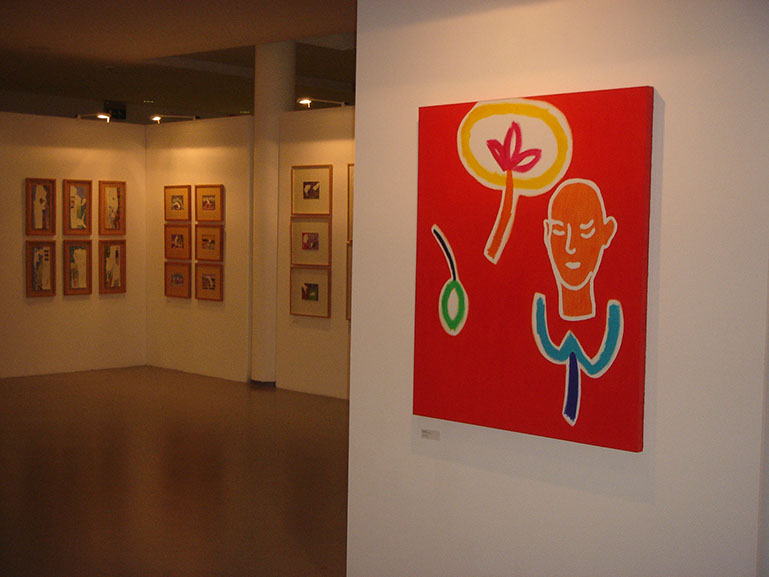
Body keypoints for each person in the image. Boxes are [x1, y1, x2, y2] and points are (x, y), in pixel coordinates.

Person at [543, 178, 616, 321]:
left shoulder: (614, 317)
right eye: (559, 230)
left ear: (606, 233)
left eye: (585, 231)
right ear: (547, 233)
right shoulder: (537, 315)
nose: (570, 247)